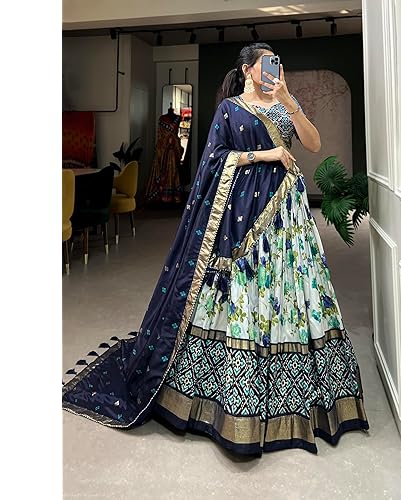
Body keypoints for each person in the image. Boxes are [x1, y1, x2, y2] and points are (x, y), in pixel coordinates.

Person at [62, 42, 369, 456]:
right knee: (240, 286)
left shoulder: (284, 105)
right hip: (241, 210)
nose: (274, 68)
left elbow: (312, 144)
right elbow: (214, 159)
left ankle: (298, 393)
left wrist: (288, 101)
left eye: (277, 62)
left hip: (287, 213)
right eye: (266, 63)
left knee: (290, 290)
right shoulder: (230, 109)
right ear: (247, 70)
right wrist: (266, 154)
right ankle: (227, 391)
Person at [145, 104, 184, 205]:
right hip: (162, 150)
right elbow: (160, 135)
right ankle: (162, 195)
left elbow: (174, 134)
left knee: (173, 172)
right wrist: (165, 144)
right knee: (162, 171)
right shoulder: (162, 119)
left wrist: (173, 143)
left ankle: (173, 195)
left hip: (173, 150)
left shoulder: (177, 118)